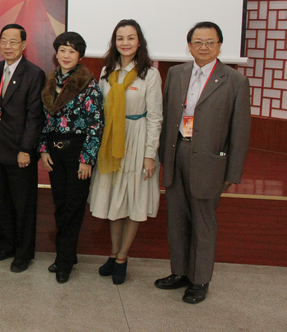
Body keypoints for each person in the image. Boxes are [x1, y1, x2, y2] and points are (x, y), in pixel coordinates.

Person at [154, 21, 250, 304]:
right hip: (177, 153)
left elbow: (241, 130)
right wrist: (163, 156)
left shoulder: (235, 81)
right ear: (189, 45)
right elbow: (166, 116)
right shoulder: (176, 73)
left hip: (209, 161)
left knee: (203, 223)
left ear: (220, 46)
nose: (203, 47)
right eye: (198, 42)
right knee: (176, 220)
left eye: (210, 42)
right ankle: (180, 272)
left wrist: (233, 171)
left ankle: (199, 280)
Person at [88, 20, 162, 284]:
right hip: (110, 143)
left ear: (139, 42)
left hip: (137, 140)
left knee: (132, 200)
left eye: (131, 38)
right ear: (114, 42)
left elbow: (155, 117)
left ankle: (122, 257)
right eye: (120, 38)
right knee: (113, 200)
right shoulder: (107, 71)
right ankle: (112, 253)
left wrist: (149, 154)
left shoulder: (149, 75)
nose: (125, 43)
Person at [38, 32, 104, 283]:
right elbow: (43, 118)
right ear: (56, 53)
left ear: (80, 56)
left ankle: (64, 261)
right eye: (62, 50)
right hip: (54, 151)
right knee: (61, 205)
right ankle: (67, 254)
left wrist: (87, 159)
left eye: (72, 51)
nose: (66, 55)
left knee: (73, 208)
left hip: (77, 152)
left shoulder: (88, 84)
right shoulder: (49, 79)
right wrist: (43, 149)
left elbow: (96, 124)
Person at [0, 24, 45, 273]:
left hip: (20, 150)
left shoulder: (34, 73)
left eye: (13, 42)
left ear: (23, 45)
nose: (8, 46)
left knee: (23, 204)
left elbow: (35, 116)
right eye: (4, 41)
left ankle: (23, 253)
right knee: (3, 201)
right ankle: (6, 246)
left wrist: (25, 149)